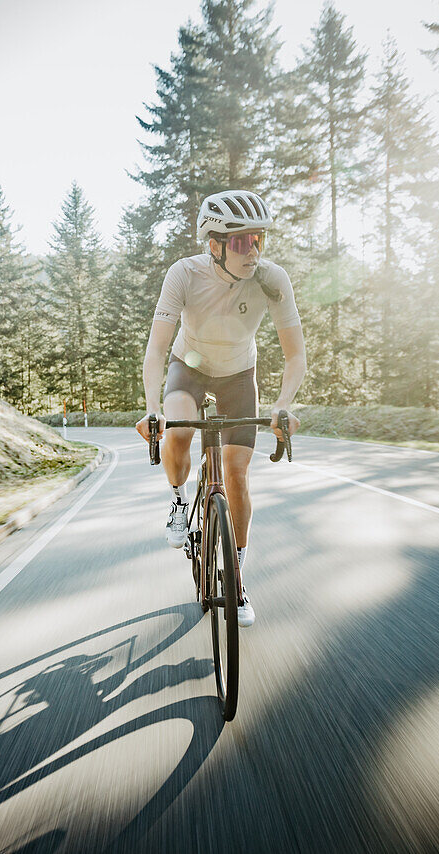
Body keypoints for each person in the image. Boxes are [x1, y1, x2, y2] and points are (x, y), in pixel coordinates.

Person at [135, 189, 307, 627]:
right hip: (187, 366)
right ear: (213, 245)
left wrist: (282, 406)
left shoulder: (272, 279)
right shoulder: (184, 274)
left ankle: (235, 579)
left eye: (257, 240)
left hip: (237, 375)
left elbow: (295, 356)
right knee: (177, 431)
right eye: (239, 242)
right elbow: (156, 350)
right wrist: (153, 408)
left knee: (236, 474)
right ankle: (178, 499)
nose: (251, 251)